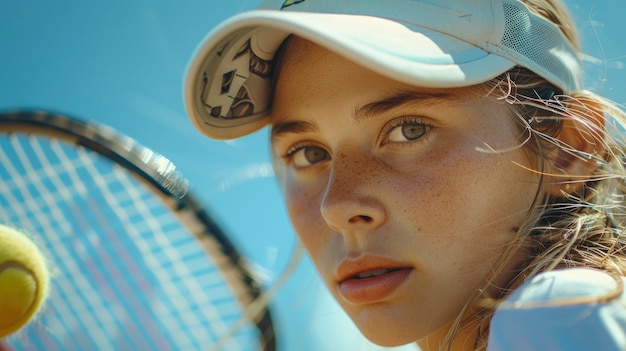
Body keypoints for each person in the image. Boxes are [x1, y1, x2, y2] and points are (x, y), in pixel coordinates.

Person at [183, 0, 626, 349]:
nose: (337, 207)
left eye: (409, 130)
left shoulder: (563, 314)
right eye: (307, 152)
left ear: (570, 147)